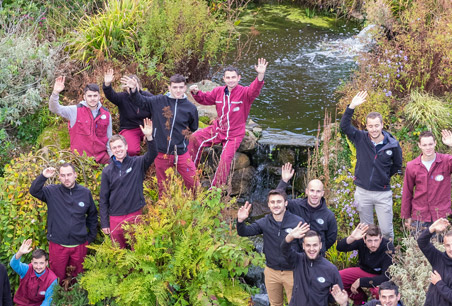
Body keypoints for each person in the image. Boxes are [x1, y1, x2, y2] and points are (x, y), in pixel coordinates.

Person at [236, 189, 306, 306]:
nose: (276, 205)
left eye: (279, 202)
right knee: (275, 305)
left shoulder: (297, 221)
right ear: (268, 204)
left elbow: (308, 247)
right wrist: (240, 221)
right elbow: (244, 232)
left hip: (292, 272)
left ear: (285, 203)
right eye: (273, 202)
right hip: (271, 271)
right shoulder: (265, 222)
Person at [188, 59, 268, 187]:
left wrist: (260, 75)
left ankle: (214, 191)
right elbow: (205, 99)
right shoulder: (218, 91)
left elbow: (255, 89)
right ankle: (191, 175)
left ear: (239, 78)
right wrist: (196, 93)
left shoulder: (245, 93)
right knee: (194, 138)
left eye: (233, 77)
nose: (231, 80)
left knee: (225, 161)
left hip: (234, 135)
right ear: (224, 79)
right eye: (228, 77)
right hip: (218, 129)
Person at [121, 73, 199, 196]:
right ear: (169, 88)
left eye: (180, 87)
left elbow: (193, 127)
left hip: (181, 152)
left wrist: (181, 138)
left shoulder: (190, 108)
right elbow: (141, 101)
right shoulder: (158, 101)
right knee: (163, 185)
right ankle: (164, 207)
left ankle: (197, 204)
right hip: (161, 151)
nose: (178, 90)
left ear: (185, 88)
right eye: (174, 87)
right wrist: (134, 90)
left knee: (193, 182)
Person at [340, 90, 402, 242]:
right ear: (366, 126)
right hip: (363, 192)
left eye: (376, 125)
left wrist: (383, 177)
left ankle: (388, 261)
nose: (374, 129)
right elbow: (344, 127)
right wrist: (351, 106)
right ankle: (368, 260)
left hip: (382, 194)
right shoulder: (360, 138)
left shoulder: (393, 145)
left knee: (386, 231)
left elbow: (397, 165)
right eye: (370, 126)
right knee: (366, 230)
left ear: (382, 125)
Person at [29, 163, 98, 283]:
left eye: (69, 174)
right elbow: (34, 191)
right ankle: (57, 300)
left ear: (75, 175)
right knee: (56, 278)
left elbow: (92, 215)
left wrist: (90, 237)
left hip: (79, 245)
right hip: (58, 245)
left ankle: (76, 301)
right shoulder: (51, 192)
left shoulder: (85, 193)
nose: (66, 178)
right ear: (59, 177)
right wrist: (43, 176)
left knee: (78, 278)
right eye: (63, 175)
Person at [100, 119, 156, 248]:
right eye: (114, 147)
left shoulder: (137, 163)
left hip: (135, 213)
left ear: (126, 147)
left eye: (120, 146)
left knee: (137, 250)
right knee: (119, 254)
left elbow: (152, 154)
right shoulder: (107, 171)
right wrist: (104, 223)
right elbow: (103, 199)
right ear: (111, 150)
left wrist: (149, 137)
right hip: (115, 217)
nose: (118, 149)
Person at [401, 130, 452, 230]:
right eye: (424, 145)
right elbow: (407, 192)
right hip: (420, 216)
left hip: (440, 215)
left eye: (430, 144)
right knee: (418, 244)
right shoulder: (412, 166)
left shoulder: (445, 161)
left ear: (435, 143)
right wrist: (406, 216)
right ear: (419, 145)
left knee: (439, 245)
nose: (428, 148)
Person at [276, 163, 337, 254]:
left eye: (318, 191)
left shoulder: (329, 215)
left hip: (316, 257)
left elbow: (330, 239)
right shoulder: (295, 205)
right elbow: (277, 201)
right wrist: (284, 181)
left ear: (322, 193)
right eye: (312, 191)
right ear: (307, 191)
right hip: (296, 255)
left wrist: (319, 250)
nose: (315, 195)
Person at [49, 77, 112, 164]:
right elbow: (55, 109)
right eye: (89, 96)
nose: (92, 99)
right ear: (84, 97)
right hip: (80, 160)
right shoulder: (75, 110)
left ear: (99, 97)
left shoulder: (106, 114)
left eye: (95, 96)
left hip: (101, 158)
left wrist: (113, 157)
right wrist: (55, 92)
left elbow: (109, 139)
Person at [335, 223, 393, 306]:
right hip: (364, 271)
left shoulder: (388, 247)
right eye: (369, 241)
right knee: (338, 277)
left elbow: (386, 277)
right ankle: (361, 301)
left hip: (380, 277)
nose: (373, 244)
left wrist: (361, 281)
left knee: (378, 291)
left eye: (376, 240)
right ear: (364, 239)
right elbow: (340, 248)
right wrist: (351, 238)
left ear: (381, 239)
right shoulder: (361, 242)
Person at [9, 239, 58, 306]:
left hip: (41, 304)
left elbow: (48, 300)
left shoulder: (52, 279)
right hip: (25, 303)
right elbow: (13, 264)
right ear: (32, 262)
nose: (38, 266)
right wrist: (20, 253)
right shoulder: (26, 269)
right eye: (35, 263)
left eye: (41, 263)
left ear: (46, 263)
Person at [103, 70, 152, 156]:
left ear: (139, 85)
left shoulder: (147, 97)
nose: (132, 88)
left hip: (147, 127)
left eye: (133, 85)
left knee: (159, 144)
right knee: (131, 150)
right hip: (130, 129)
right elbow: (111, 95)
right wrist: (107, 84)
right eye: (129, 86)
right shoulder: (122, 98)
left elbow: (157, 110)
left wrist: (149, 132)